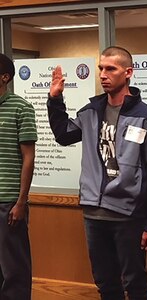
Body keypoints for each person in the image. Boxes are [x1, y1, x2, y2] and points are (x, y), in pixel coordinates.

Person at [47, 46, 147, 300]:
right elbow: (63, 135)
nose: (103, 74)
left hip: (128, 215)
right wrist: (55, 100)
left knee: (134, 281)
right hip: (94, 213)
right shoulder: (90, 111)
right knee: (105, 282)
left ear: (128, 73)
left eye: (110, 69)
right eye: (101, 68)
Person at [0, 53, 37, 300]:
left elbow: (28, 158)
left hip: (8, 202)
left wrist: (21, 202)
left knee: (13, 269)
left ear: (5, 77)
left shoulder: (21, 107)